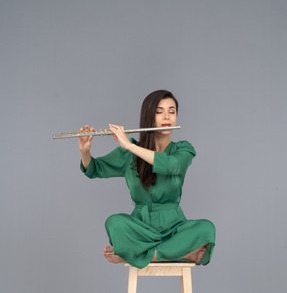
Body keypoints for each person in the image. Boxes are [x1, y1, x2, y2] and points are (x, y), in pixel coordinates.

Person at [79, 90, 215, 269]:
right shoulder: (129, 153)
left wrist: (129, 145)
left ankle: (135, 254)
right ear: (149, 116)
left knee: (207, 228)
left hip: (174, 227)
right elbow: (95, 168)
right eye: (159, 112)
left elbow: (172, 165)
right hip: (141, 229)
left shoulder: (183, 149)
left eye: (172, 111)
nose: (167, 117)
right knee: (114, 222)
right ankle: (179, 254)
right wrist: (84, 151)